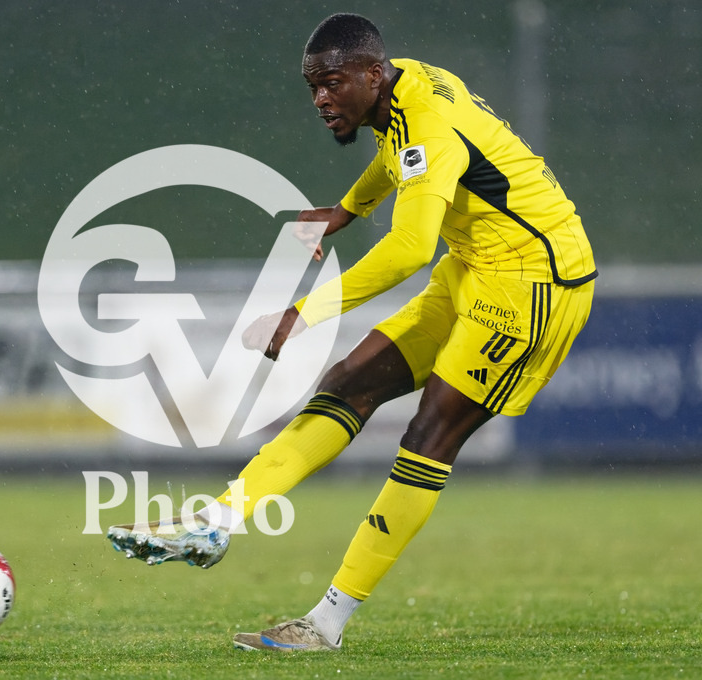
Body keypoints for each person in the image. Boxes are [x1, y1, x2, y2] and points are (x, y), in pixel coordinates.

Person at [107, 12, 596, 652]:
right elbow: (397, 163)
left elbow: (410, 248)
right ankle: (216, 522)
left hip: (534, 284)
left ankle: (327, 622)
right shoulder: (404, 89)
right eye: (313, 86)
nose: (321, 100)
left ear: (371, 73)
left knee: (429, 434)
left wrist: (304, 312)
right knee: (345, 386)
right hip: (475, 264)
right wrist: (347, 208)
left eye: (331, 83)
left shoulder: (427, 121)